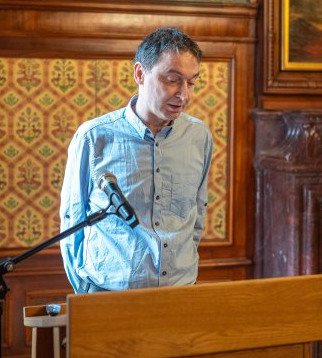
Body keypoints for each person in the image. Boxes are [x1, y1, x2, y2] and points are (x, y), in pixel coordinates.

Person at [59, 27, 213, 294]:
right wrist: (86, 293)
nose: (184, 95)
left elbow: (196, 214)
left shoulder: (199, 136)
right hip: (109, 295)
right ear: (140, 74)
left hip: (180, 292)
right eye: (172, 80)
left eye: (191, 83)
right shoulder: (93, 137)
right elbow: (73, 219)